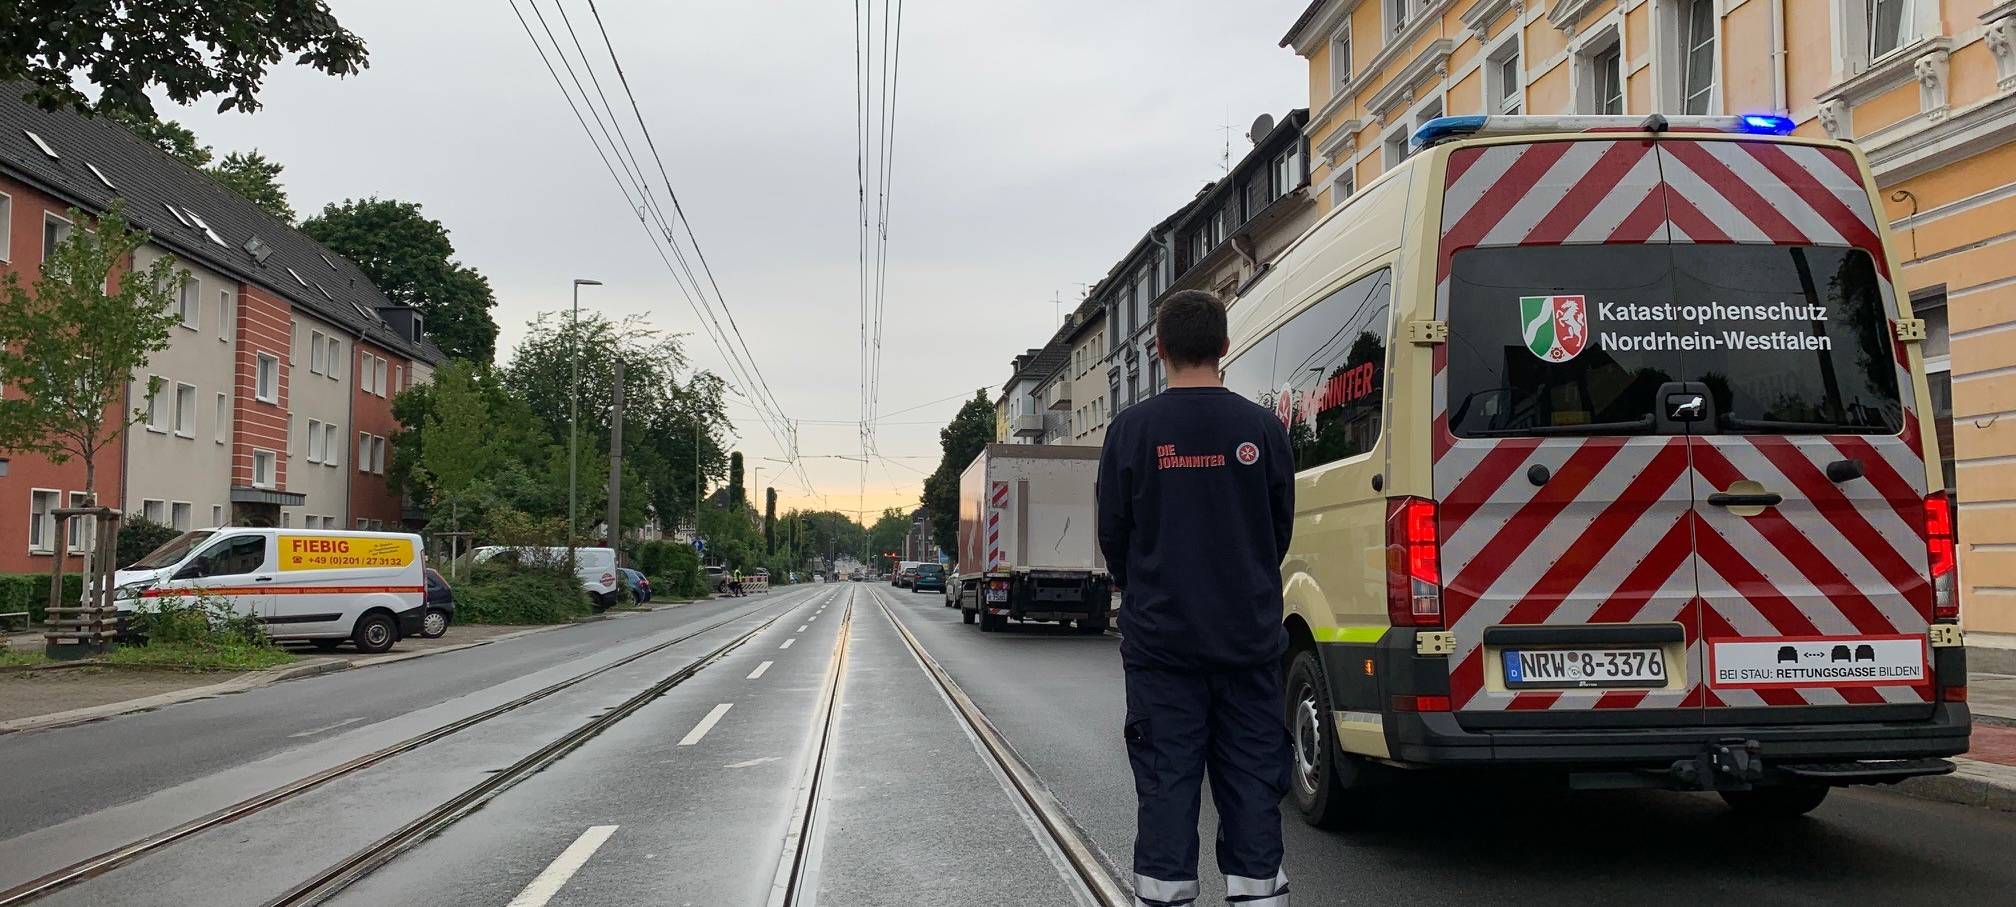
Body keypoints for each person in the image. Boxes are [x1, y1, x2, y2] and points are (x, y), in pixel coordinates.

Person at [1097, 289, 1294, 907]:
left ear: (1158, 351)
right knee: (1254, 793)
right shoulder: (1262, 428)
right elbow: (1277, 529)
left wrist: (1153, 587)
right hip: (1250, 648)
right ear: (1225, 348)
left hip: (1163, 654)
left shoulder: (1131, 431)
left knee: (1166, 792)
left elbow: (1114, 537)